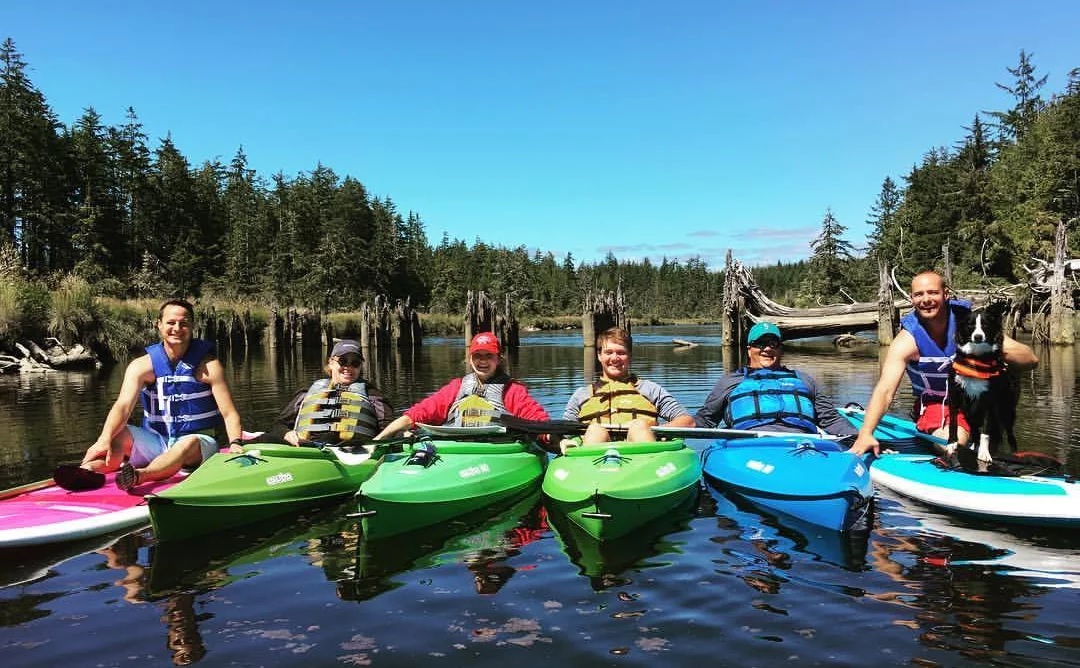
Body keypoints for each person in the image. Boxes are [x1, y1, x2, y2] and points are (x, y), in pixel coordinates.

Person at [849, 271, 1038, 456]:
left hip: (980, 400)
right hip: (939, 405)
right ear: (912, 299)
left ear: (946, 295)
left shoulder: (970, 325)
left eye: (932, 292)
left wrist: (986, 350)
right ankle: (943, 441)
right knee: (955, 443)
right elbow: (885, 390)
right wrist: (866, 433)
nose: (926, 299)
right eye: (919, 294)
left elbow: (1030, 359)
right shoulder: (906, 341)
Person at [77, 299, 244, 491]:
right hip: (157, 441)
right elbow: (122, 406)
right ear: (159, 324)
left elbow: (229, 413)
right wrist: (104, 438)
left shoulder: (209, 367)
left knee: (186, 444)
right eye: (171, 323)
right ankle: (87, 471)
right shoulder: (141, 367)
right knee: (118, 434)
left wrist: (235, 443)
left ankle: (140, 476)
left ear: (192, 326)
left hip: (197, 446)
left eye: (184, 323)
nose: (177, 328)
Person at [373, 331, 548, 439]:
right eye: (477, 356)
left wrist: (557, 439)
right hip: (456, 451)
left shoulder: (512, 391)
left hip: (497, 451)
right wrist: (379, 440)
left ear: (498, 359)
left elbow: (537, 419)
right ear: (470, 359)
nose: (483, 361)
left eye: (489, 356)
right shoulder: (456, 387)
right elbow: (418, 413)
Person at [694, 321, 856, 437]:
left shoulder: (805, 380)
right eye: (761, 343)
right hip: (748, 446)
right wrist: (675, 429)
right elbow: (705, 420)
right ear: (749, 350)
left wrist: (859, 437)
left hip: (803, 444)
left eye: (773, 343)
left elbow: (830, 419)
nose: (767, 348)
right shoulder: (730, 381)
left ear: (780, 349)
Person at [563, 326, 695, 448]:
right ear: (599, 355)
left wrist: (657, 433)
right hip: (595, 452)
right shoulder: (582, 395)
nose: (615, 358)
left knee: (639, 426)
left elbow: (687, 421)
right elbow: (563, 432)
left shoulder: (649, 389)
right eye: (608, 352)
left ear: (630, 355)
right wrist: (558, 440)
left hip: (641, 450)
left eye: (621, 353)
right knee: (595, 430)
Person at [274, 339, 393, 449]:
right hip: (307, 448)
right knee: (266, 438)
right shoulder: (307, 392)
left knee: (329, 438)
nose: (348, 367)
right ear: (331, 363)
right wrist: (286, 433)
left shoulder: (372, 394)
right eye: (342, 361)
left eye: (355, 363)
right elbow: (279, 425)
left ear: (360, 367)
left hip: (353, 451)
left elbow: (389, 427)